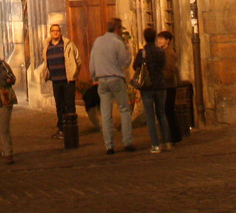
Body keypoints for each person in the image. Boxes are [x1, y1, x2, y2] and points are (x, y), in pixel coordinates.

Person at [88, 18, 133, 153]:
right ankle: (127, 142)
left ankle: (109, 145)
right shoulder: (117, 42)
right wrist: (129, 50)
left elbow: (92, 62)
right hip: (116, 78)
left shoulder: (98, 41)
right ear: (117, 29)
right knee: (124, 110)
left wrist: (94, 76)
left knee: (106, 113)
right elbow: (125, 62)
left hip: (102, 80)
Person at [133, 27, 171, 153]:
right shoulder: (160, 51)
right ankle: (167, 142)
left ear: (144, 37)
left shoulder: (143, 52)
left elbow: (135, 66)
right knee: (161, 113)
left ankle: (155, 144)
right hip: (160, 85)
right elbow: (163, 65)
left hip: (148, 87)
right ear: (155, 37)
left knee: (150, 116)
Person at [42, 17, 80, 139]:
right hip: (56, 80)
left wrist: (73, 73)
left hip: (68, 80)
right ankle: (61, 129)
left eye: (57, 30)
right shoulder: (47, 46)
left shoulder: (67, 45)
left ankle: (72, 129)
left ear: (60, 32)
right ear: (50, 33)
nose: (55, 33)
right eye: (53, 31)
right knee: (59, 105)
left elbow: (78, 60)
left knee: (70, 104)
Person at [158, 30, 183, 145]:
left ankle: (175, 135)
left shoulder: (169, 53)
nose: (159, 41)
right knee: (167, 111)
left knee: (169, 111)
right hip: (165, 85)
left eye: (162, 39)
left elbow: (169, 71)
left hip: (169, 86)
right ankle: (172, 135)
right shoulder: (162, 52)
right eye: (159, 39)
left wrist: (158, 74)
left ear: (167, 41)